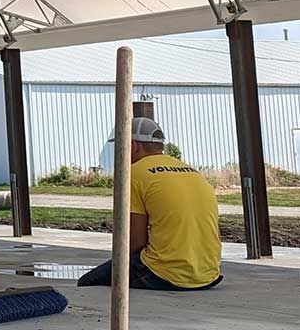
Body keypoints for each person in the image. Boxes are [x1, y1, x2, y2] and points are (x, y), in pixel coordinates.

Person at [77, 117, 223, 291]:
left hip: (164, 274)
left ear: (133, 145)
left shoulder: (133, 175)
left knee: (87, 283)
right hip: (208, 274)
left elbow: (134, 242)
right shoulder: (192, 171)